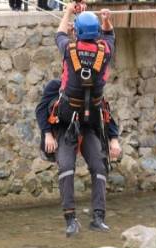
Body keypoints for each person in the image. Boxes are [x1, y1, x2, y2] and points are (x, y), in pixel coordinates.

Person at [52, 3, 121, 236]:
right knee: (99, 167)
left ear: (78, 32)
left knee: (66, 168)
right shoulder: (105, 51)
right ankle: (98, 218)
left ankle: (71, 220)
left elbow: (59, 33)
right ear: (96, 34)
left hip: (69, 118)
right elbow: (110, 34)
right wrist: (107, 20)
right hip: (90, 120)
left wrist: (67, 11)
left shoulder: (69, 49)